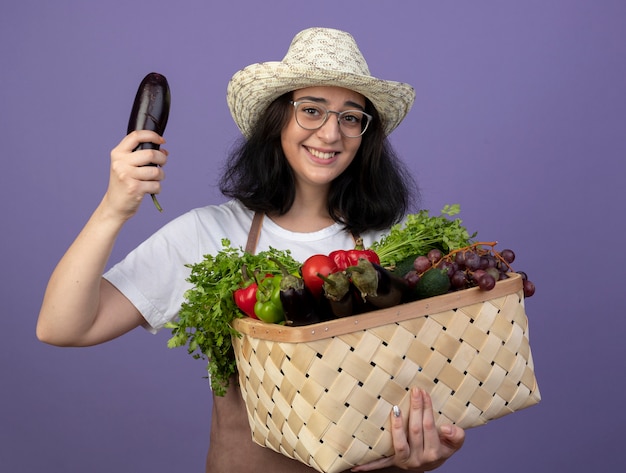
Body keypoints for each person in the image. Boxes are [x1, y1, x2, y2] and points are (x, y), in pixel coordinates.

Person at [37, 27, 465, 472]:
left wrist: (424, 454)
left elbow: (426, 395)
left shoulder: (394, 245)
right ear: (277, 119)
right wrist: (113, 208)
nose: (330, 133)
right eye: (311, 110)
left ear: (364, 134)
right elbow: (62, 327)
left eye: (350, 117)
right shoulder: (208, 235)